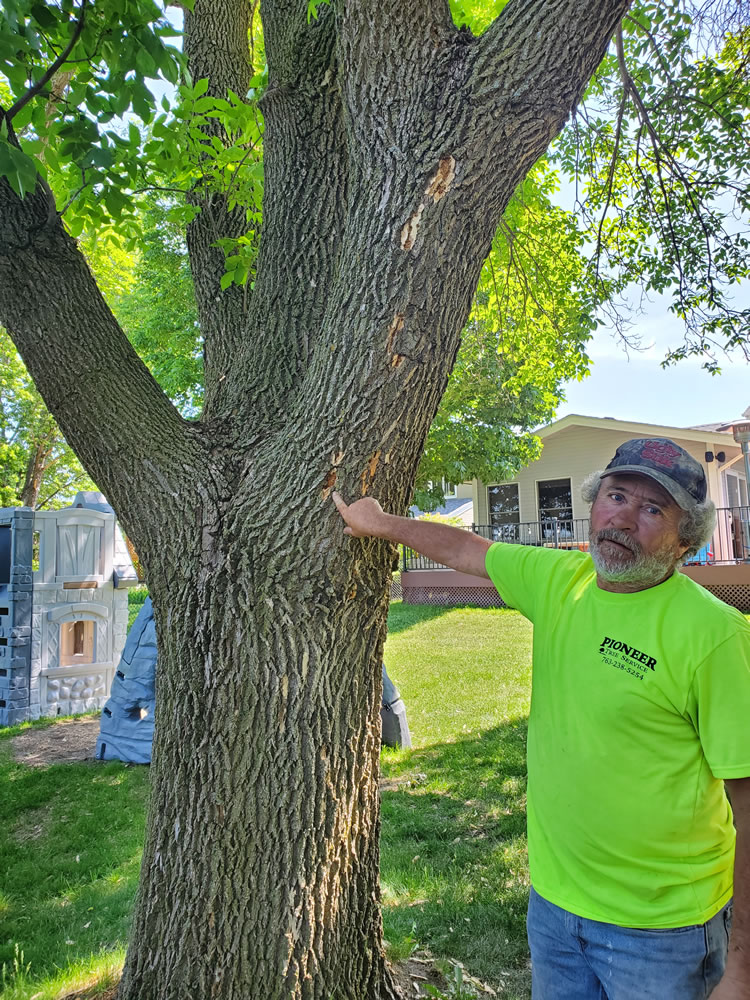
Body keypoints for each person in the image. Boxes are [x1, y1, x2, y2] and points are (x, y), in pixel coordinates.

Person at [332, 437, 750, 1000]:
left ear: (686, 539)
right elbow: (464, 549)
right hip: (554, 909)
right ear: (594, 501)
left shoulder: (715, 638)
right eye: (616, 495)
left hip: (663, 932)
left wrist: (742, 969)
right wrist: (381, 524)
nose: (624, 518)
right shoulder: (561, 582)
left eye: (653, 509)